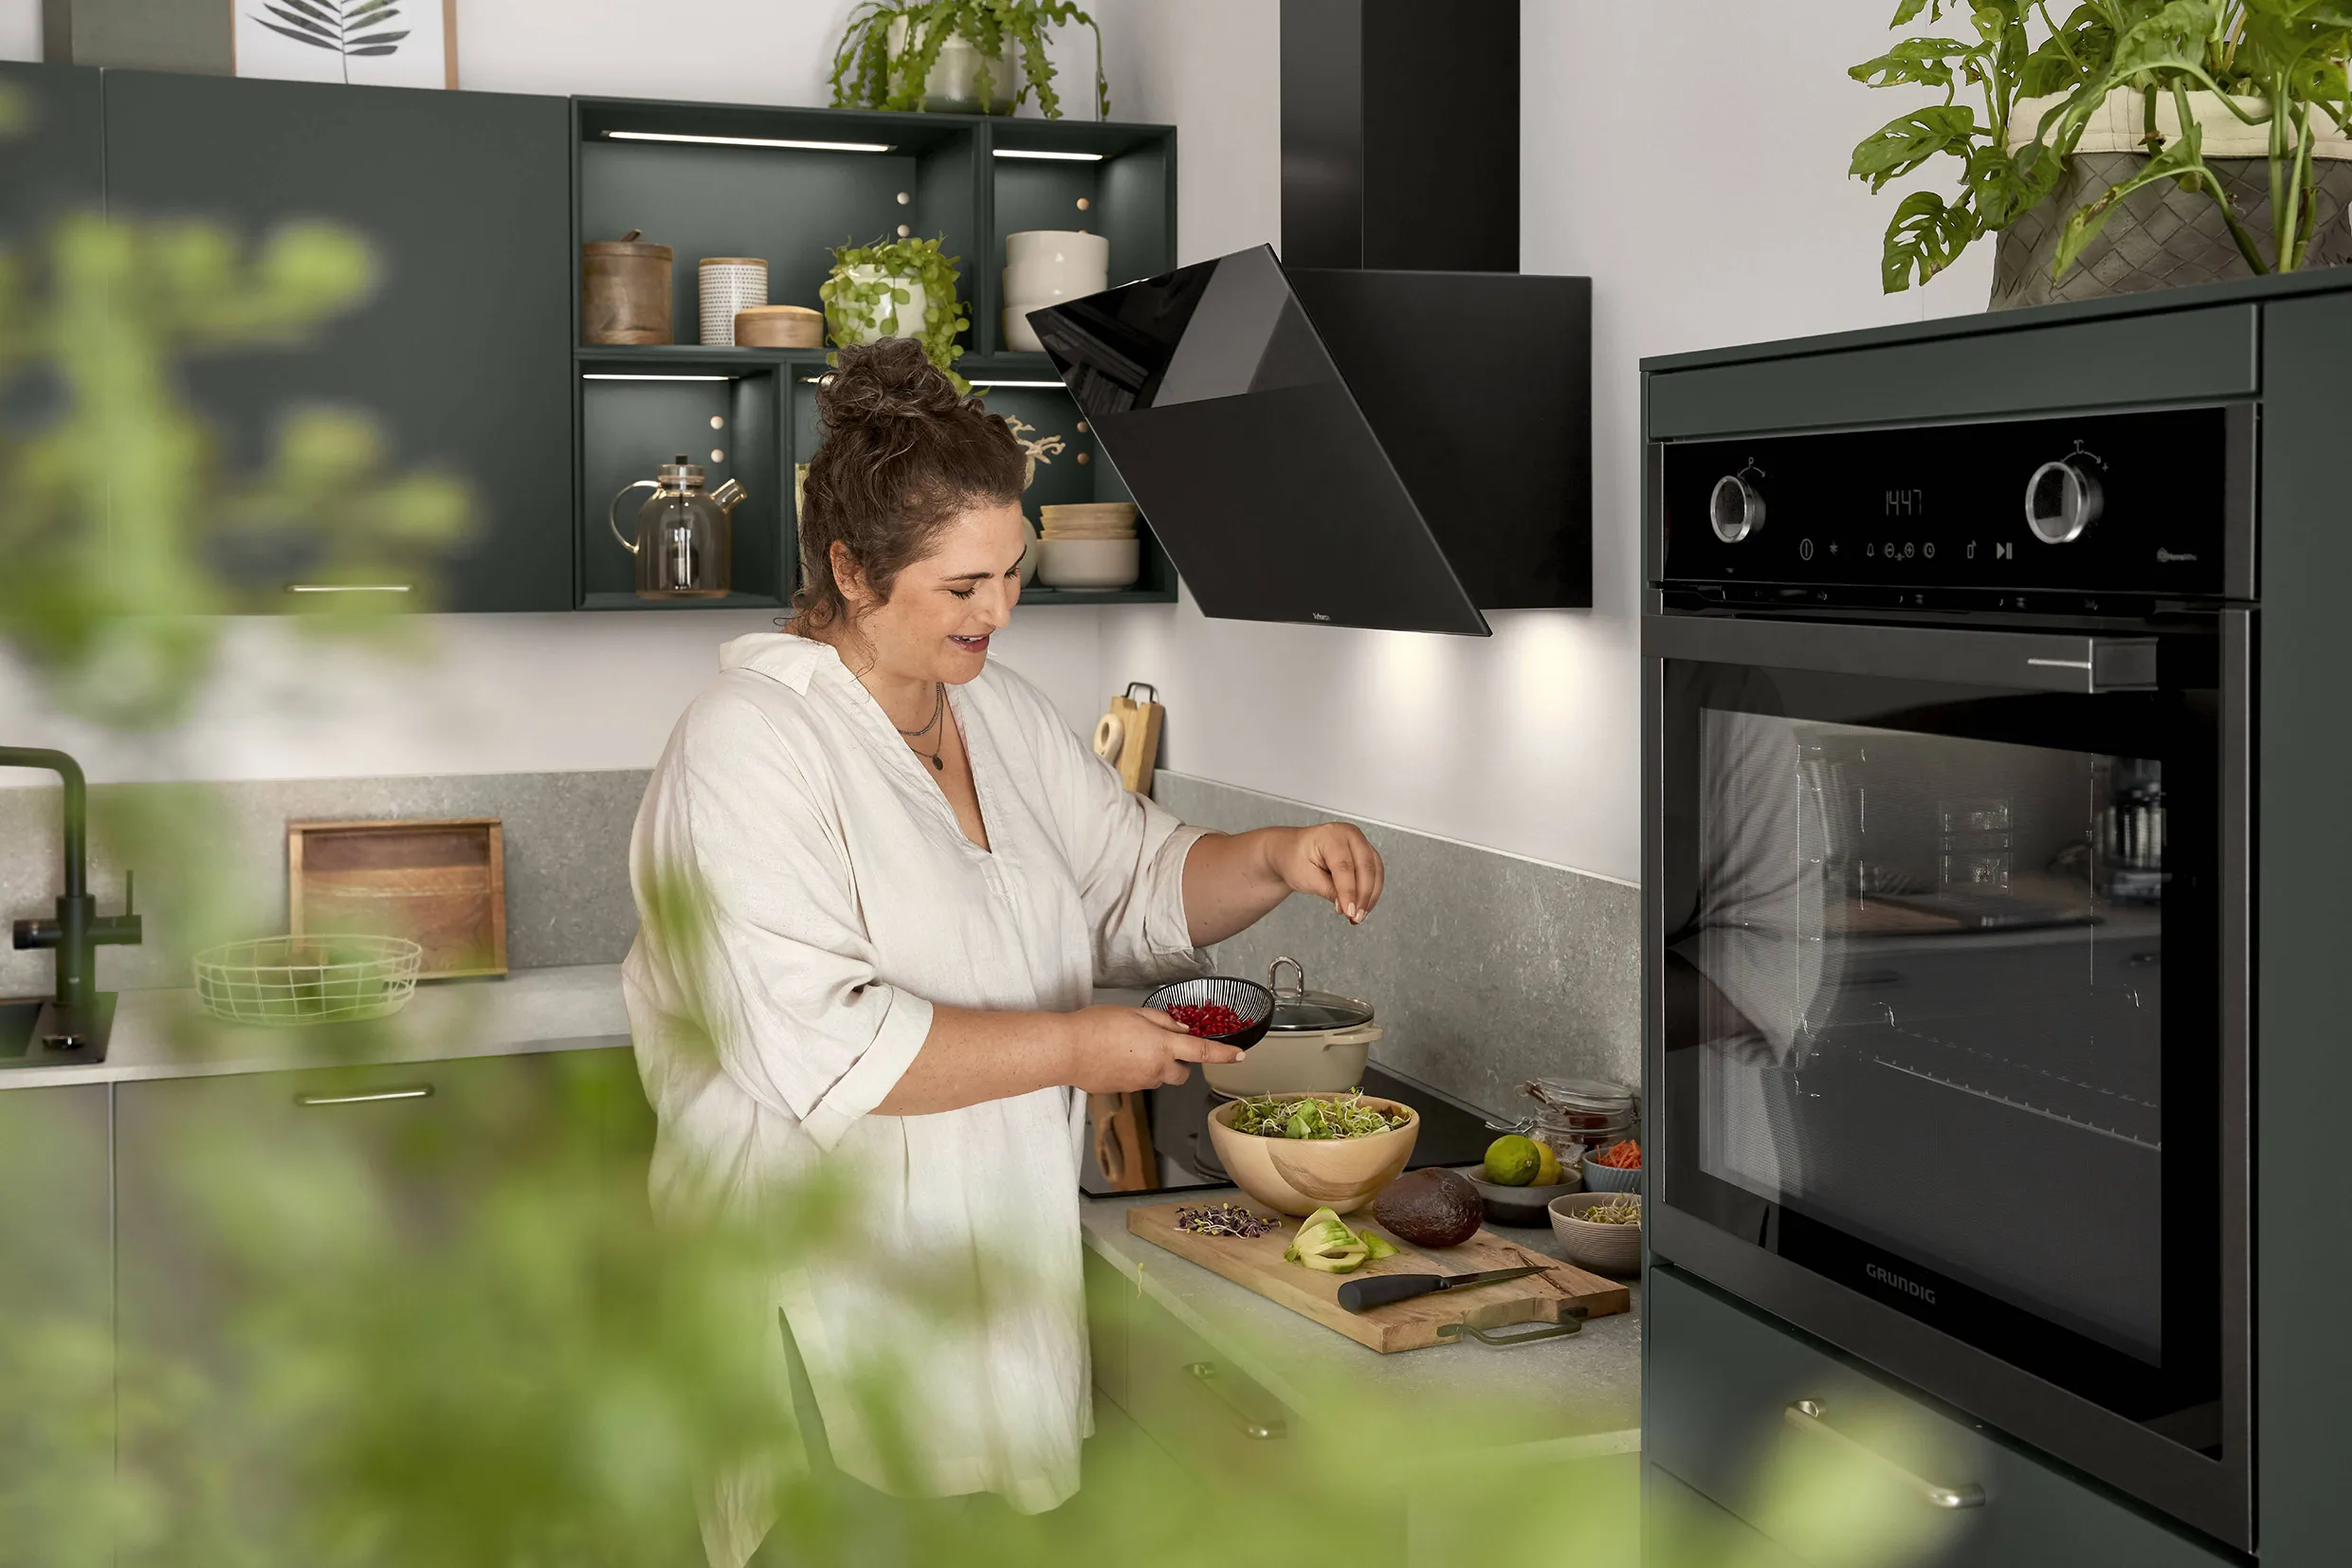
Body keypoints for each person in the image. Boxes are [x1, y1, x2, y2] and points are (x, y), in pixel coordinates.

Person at [622, 337, 1386, 1568]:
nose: (1000, 610)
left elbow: (1133, 878)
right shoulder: (748, 745)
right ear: (850, 570)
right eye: (961, 585)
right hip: (819, 1311)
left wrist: (1278, 854)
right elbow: (832, 1047)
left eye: (1012, 573)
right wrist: (1085, 1044)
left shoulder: (995, 712)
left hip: (987, 1301)